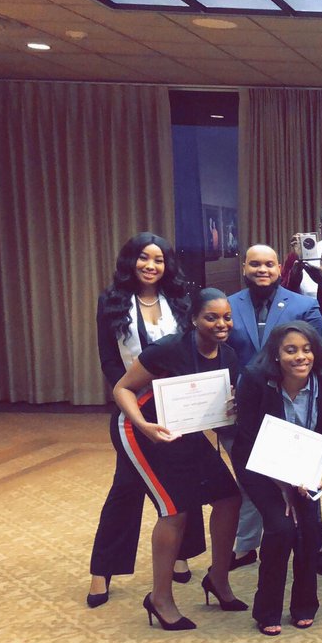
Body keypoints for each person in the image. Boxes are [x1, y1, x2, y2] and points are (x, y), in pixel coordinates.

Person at [111, 288, 244, 631]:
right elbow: (122, 389)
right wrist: (143, 425)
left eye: (226, 317)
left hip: (184, 433)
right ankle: (160, 598)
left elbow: (211, 409)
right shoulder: (169, 348)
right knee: (175, 510)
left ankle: (218, 578)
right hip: (141, 430)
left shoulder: (228, 355)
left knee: (229, 498)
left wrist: (228, 409)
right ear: (194, 319)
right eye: (211, 317)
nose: (221, 323)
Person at [88, 233, 203, 607]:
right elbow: (108, 357)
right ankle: (101, 571)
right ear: (130, 262)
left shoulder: (181, 300)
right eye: (143, 258)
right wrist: (129, 395)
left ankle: (180, 555)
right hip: (133, 405)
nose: (150, 266)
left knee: (182, 480)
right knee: (126, 487)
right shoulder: (112, 302)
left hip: (176, 405)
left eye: (158, 259)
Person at [232, 322, 322, 635]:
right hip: (259, 465)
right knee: (280, 528)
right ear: (276, 355)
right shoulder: (255, 380)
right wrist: (284, 485)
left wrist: (311, 475)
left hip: (304, 469)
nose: (300, 356)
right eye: (290, 350)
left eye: (307, 349)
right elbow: (251, 436)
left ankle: (305, 605)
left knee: (311, 528)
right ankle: (267, 610)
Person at [226, 245, 322, 572]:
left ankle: (315, 542)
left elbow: (316, 355)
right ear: (245, 267)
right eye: (255, 264)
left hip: (292, 405)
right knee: (250, 482)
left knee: (305, 477)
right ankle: (245, 546)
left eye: (269, 264)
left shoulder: (304, 304)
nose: (262, 270)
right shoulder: (227, 306)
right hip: (244, 409)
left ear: (280, 269)